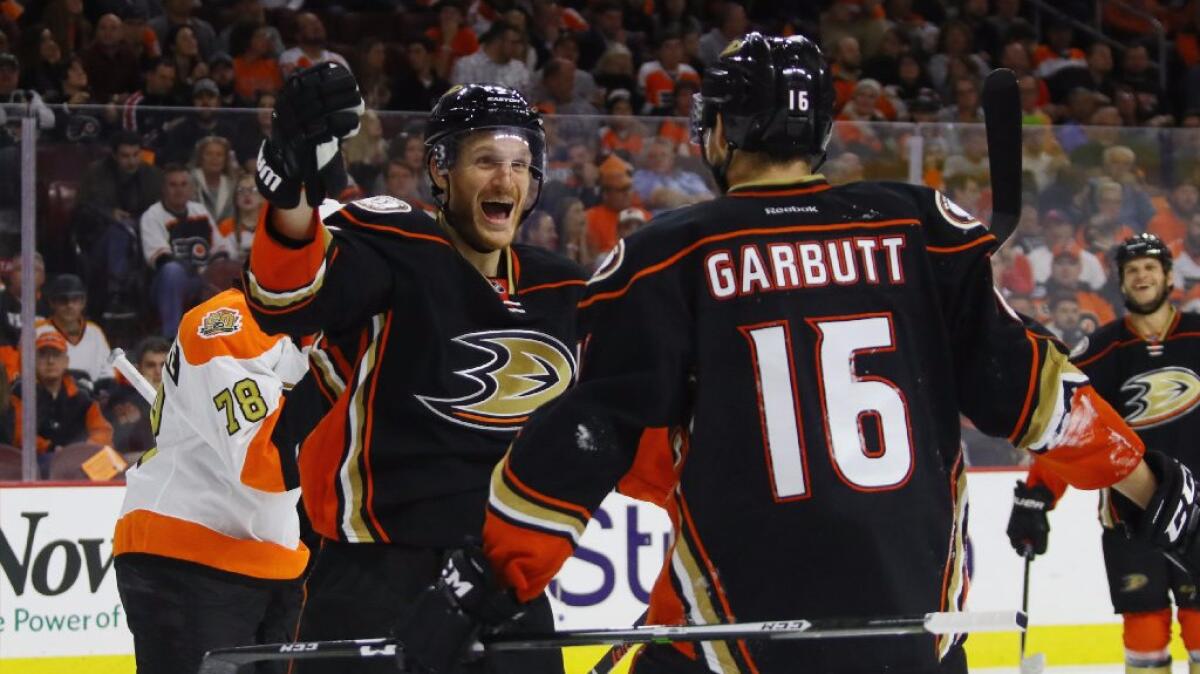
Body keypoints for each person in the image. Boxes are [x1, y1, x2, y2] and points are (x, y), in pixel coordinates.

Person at [393, 34, 1200, 674]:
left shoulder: (670, 253)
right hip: (914, 632)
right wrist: (1152, 483)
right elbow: (1031, 393)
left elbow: (587, 437)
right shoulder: (918, 227)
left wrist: (487, 582)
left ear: (722, 129)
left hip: (736, 637)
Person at [246, 66, 583, 674]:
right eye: (485, 160)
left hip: (503, 581)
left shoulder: (563, 287)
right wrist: (289, 193)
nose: (506, 178)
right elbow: (286, 299)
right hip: (378, 575)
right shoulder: (393, 250)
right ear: (439, 171)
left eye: (521, 164)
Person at [1009, 233, 1200, 674]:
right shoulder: (1099, 353)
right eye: (1132, 270)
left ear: (1169, 276)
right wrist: (1037, 498)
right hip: (1129, 516)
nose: (1142, 276)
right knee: (1144, 632)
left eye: (1150, 267)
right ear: (1120, 282)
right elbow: (1068, 427)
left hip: (1197, 513)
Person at [113, 288, 309, 674]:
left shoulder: (332, 327)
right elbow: (264, 460)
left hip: (275, 557)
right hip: (189, 554)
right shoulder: (224, 322)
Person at [140, 163, 235, 337]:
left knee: (232, 269)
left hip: (204, 277)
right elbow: (160, 258)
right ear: (163, 188)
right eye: (173, 185)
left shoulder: (199, 210)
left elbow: (221, 248)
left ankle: (228, 335)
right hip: (166, 283)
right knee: (172, 270)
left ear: (191, 188)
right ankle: (171, 337)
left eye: (184, 184)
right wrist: (195, 271)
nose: (179, 190)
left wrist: (213, 271)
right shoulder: (152, 215)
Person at [11, 331, 112, 455]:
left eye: (56, 354)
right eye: (43, 355)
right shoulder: (20, 393)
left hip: (77, 462)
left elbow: (102, 430)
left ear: (66, 361)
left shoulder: (82, 398)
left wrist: (87, 448)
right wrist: (52, 449)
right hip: (33, 463)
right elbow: (19, 435)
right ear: (34, 361)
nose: (50, 361)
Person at [34, 274, 112, 386]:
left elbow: (108, 373)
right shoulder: (38, 331)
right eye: (63, 300)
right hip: (50, 394)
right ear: (52, 303)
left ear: (83, 302)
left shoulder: (95, 331)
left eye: (75, 300)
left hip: (92, 396)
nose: (69, 305)